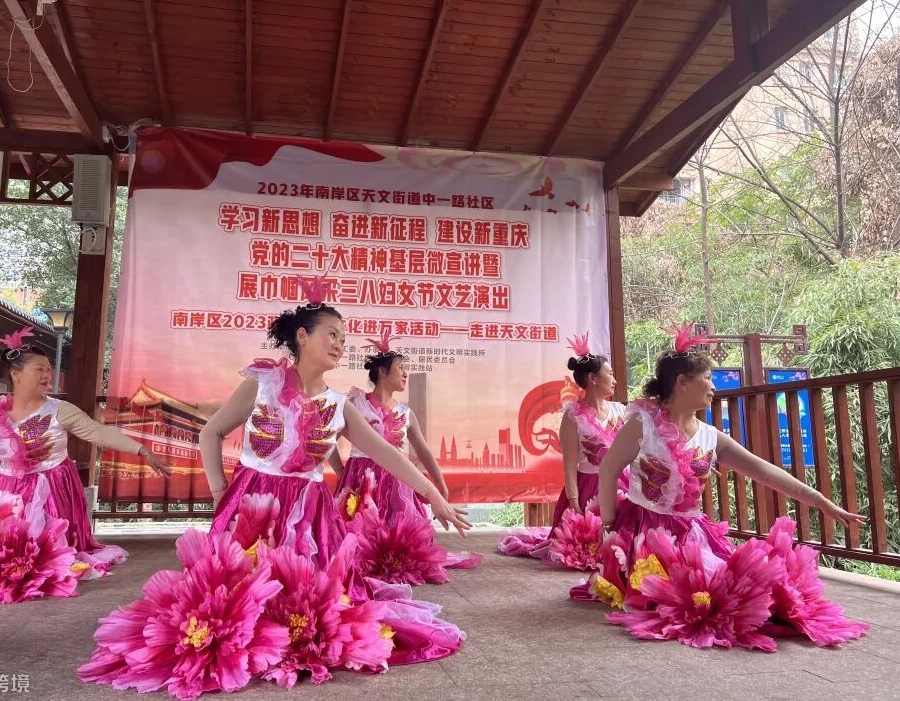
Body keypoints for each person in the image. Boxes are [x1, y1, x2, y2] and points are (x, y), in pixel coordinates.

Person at [79, 278, 471, 698]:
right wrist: (220, 492)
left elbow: (387, 454)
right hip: (253, 504)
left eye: (343, 338)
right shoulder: (261, 383)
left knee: (310, 604)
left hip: (310, 512)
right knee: (234, 599)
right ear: (302, 336)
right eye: (332, 334)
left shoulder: (339, 405)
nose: (340, 344)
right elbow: (211, 432)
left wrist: (434, 495)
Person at [571, 324, 868, 650]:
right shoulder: (642, 424)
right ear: (682, 383)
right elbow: (609, 470)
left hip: (693, 532)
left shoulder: (710, 437)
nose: (713, 386)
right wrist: (610, 527)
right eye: (708, 378)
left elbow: (764, 471)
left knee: (744, 595)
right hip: (644, 531)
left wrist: (819, 499)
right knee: (687, 602)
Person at [0, 327, 171, 604]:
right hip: (9, 496)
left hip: (54, 489)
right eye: (39, 369)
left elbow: (98, 432)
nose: (47, 376)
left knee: (47, 558)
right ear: (16, 375)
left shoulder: (58, 410)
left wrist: (142, 450)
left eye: (49, 370)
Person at [330, 327, 481, 579]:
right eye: (400, 368)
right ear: (382, 371)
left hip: (398, 482)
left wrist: (439, 483)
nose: (405, 373)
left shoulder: (405, 412)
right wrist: (339, 469)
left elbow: (423, 451)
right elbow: (327, 439)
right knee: (357, 535)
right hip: (360, 479)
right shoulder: (356, 403)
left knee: (399, 540)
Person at [499, 333, 626, 567]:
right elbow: (569, 464)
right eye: (609, 374)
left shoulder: (620, 411)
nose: (614, 380)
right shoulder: (573, 416)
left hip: (621, 484)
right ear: (592, 378)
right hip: (590, 487)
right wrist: (574, 502)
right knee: (585, 548)